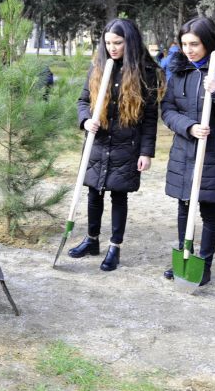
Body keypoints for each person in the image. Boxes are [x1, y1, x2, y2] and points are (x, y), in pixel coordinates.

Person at [68, 18, 164, 271]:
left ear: (129, 42)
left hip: (126, 144)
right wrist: (86, 120)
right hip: (98, 142)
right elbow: (82, 100)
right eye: (108, 42)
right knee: (94, 192)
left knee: (118, 196)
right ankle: (91, 240)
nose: (112, 47)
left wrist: (146, 152)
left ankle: (115, 247)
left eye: (118, 43)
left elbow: (150, 117)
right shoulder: (98, 67)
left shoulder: (146, 72)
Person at [161, 17, 215, 286]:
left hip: (214, 152)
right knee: (184, 205)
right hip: (185, 149)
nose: (188, 50)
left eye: (194, 44)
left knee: (208, 210)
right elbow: (167, 110)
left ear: (208, 42)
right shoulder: (179, 70)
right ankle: (184, 256)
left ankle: (205, 264)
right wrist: (189, 127)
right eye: (184, 44)